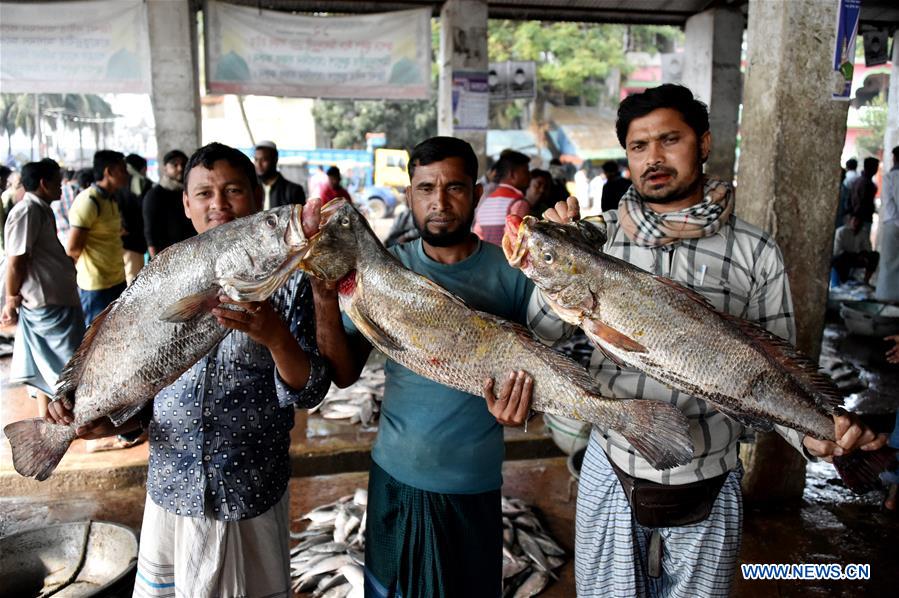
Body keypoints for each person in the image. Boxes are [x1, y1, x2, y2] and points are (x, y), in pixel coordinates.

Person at [543, 84, 887, 598]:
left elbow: (778, 369)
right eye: (638, 147)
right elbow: (541, 334)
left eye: (669, 139)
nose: (653, 158)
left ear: (703, 144)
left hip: (712, 472)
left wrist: (812, 434)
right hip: (614, 465)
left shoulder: (755, 251)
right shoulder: (595, 238)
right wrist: (551, 254)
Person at [47, 142, 331, 598]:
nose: (218, 203)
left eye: (233, 190)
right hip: (172, 489)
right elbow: (143, 386)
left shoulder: (291, 282)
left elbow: (311, 389)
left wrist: (276, 336)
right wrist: (100, 417)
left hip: (249, 491)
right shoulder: (162, 273)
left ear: (257, 198)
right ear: (186, 203)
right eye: (204, 193)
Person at [310, 136, 567, 597]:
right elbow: (344, 373)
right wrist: (324, 299)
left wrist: (524, 409)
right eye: (426, 188)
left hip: (475, 483)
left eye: (454, 187)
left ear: (477, 193)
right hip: (397, 477)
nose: (440, 202)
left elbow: (541, 375)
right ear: (409, 194)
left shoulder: (512, 275)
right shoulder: (387, 272)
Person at [1, 159, 85, 418]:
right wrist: (12, 299)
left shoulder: (40, 209)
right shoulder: (26, 211)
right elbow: (16, 261)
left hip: (55, 300)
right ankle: (72, 421)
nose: (61, 187)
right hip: (46, 304)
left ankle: (48, 419)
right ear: (43, 183)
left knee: (46, 365)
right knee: (67, 366)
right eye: (57, 182)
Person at [67, 150, 128, 327]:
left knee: (116, 332)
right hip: (96, 286)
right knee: (95, 338)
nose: (126, 174)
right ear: (108, 172)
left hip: (117, 280)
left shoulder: (111, 199)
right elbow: (73, 249)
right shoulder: (88, 201)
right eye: (122, 169)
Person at [142, 149, 195, 258]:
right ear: (165, 168)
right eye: (174, 165)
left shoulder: (190, 192)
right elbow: (150, 234)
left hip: (192, 254)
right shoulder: (154, 195)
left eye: (183, 164)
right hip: (167, 257)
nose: (180, 168)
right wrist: (157, 264)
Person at [473, 149, 531, 245]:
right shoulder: (519, 203)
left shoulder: (485, 202)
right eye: (525, 171)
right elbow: (518, 242)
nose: (529, 176)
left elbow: (477, 236)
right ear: (512, 174)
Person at [875, 146, 899, 302]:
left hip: (893, 223)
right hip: (894, 222)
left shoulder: (893, 176)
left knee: (889, 262)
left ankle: (886, 296)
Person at [253, 140, 306, 209]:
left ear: (275, 160)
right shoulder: (253, 189)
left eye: (264, 160)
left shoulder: (293, 191)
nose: (258, 164)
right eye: (256, 160)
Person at [832, 214, 879, 285]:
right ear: (850, 221)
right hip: (843, 257)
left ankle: (866, 281)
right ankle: (842, 281)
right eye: (854, 221)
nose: (856, 223)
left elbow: (868, 249)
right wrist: (851, 254)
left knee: (875, 255)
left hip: (858, 257)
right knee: (841, 258)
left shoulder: (863, 233)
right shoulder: (841, 232)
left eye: (858, 221)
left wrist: (863, 254)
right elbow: (837, 251)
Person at [849, 156, 879, 239]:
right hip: (862, 219)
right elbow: (861, 202)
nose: (876, 170)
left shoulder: (859, 180)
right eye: (875, 167)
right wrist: (857, 218)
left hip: (859, 218)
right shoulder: (866, 184)